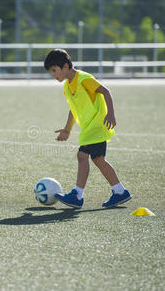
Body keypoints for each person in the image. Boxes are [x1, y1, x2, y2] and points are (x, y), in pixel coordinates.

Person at [43, 49, 131, 209]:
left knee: (82, 155)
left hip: (97, 126)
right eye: (51, 72)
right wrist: (67, 130)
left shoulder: (83, 79)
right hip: (90, 128)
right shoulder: (67, 87)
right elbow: (73, 110)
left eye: (54, 70)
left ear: (65, 67)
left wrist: (111, 114)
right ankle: (120, 191)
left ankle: (77, 195)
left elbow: (106, 92)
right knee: (98, 159)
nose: (53, 75)